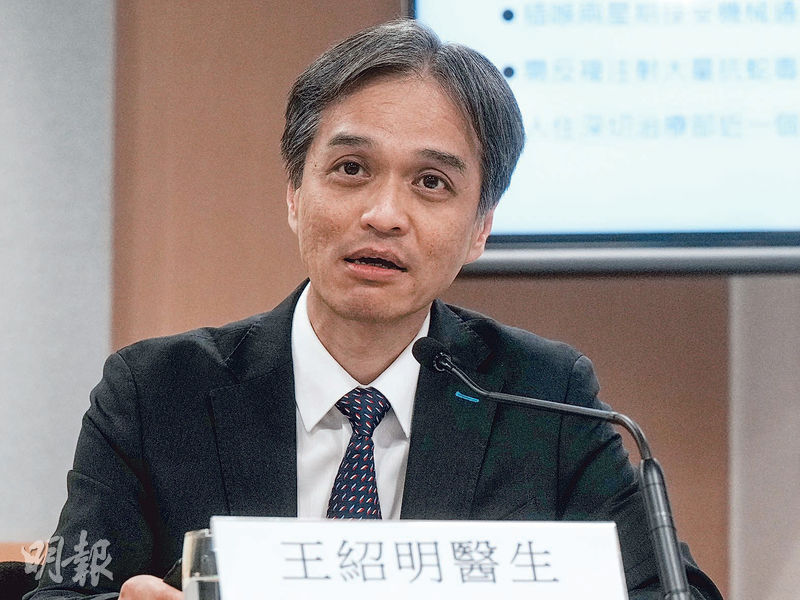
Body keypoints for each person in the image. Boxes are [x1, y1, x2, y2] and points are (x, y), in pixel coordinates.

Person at [26, 19, 722, 600]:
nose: (384, 215)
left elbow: (671, 590)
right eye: (351, 169)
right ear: (295, 194)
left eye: (431, 182)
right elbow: (65, 590)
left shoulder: (545, 399)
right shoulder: (156, 393)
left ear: (481, 227)